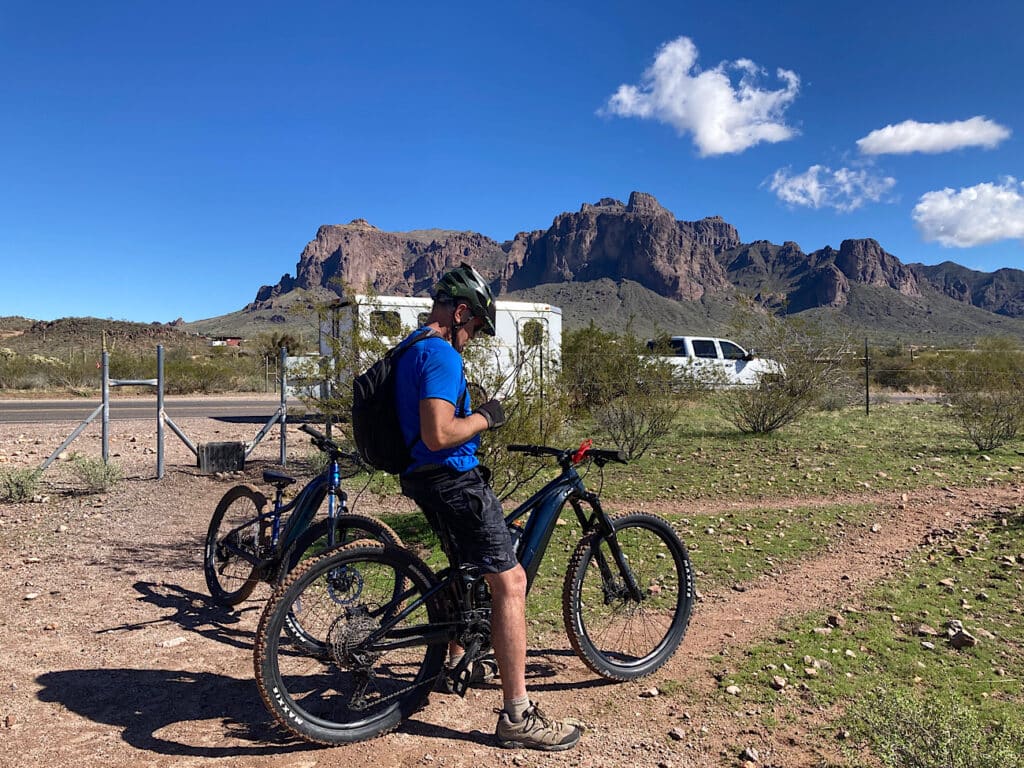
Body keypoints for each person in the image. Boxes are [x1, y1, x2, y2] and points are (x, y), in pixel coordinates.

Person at [395, 262, 581, 752]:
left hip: (421, 480)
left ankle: (455, 658)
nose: (473, 336)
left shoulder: (409, 347)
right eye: (475, 326)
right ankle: (518, 715)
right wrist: (484, 417)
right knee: (511, 581)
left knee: (466, 569)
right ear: (460, 313)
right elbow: (439, 433)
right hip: (453, 480)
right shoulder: (440, 355)